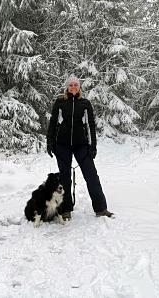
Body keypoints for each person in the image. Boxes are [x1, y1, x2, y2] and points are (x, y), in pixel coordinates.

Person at [46, 74, 114, 220]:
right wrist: (50, 142)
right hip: (62, 145)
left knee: (91, 176)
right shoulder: (60, 102)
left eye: (75, 84)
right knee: (64, 179)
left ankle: (101, 208)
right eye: (70, 85)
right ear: (67, 87)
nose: (73, 87)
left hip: (81, 145)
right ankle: (65, 210)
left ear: (79, 87)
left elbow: (90, 125)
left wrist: (93, 145)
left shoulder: (85, 103)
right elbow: (53, 123)